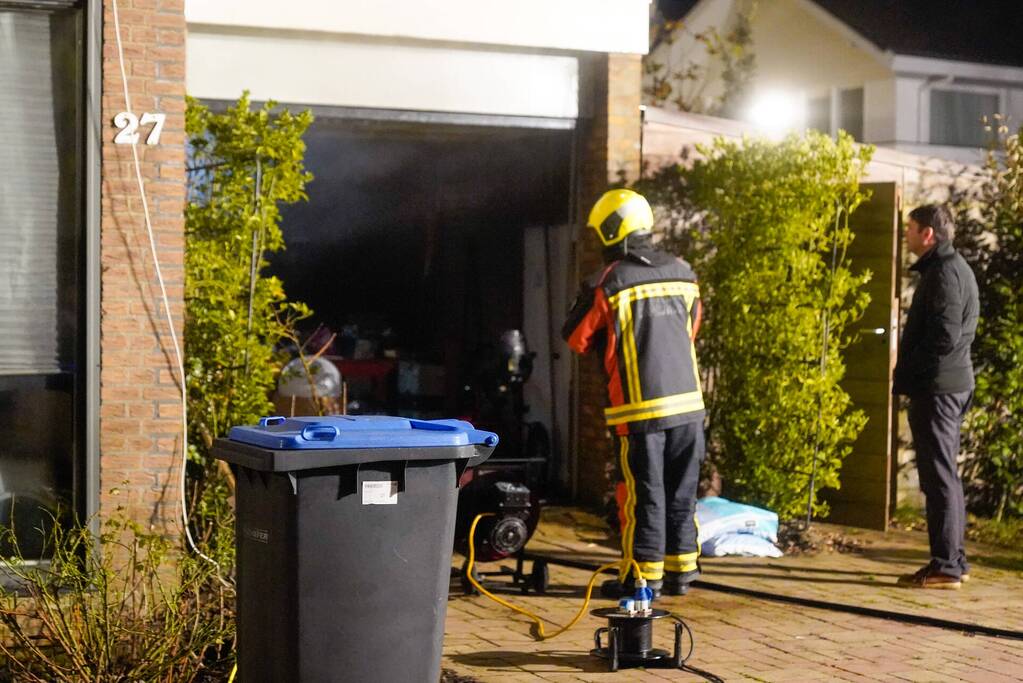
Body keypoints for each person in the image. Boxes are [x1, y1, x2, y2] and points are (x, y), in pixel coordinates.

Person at [562, 189, 705, 598]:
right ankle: (681, 572)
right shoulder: (685, 272)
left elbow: (576, 337)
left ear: (612, 231)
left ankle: (641, 578)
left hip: (639, 411)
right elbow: (691, 331)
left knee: (642, 495)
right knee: (681, 490)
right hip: (690, 406)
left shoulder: (609, 282)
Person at [894, 204, 979, 590]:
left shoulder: (944, 273)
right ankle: (952, 560)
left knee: (939, 477)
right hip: (948, 385)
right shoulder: (951, 268)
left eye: (910, 229)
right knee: (945, 476)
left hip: (939, 388)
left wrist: (912, 369)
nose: (906, 235)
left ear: (928, 234)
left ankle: (946, 565)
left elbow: (944, 337)